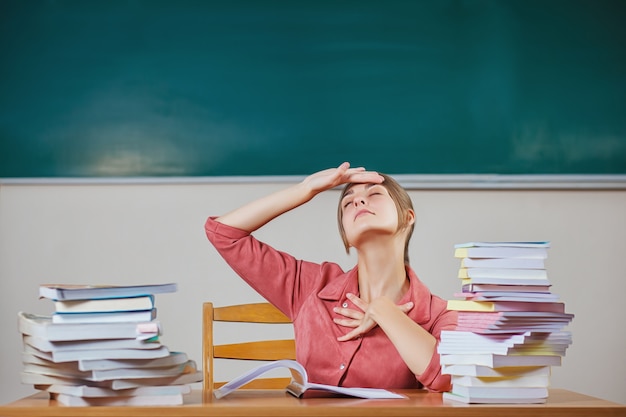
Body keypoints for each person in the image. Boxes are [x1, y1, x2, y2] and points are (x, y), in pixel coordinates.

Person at [205, 162, 457, 392]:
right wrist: (306, 189)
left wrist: (383, 311)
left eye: (374, 194)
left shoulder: (439, 314)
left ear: (407, 217)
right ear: (346, 235)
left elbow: (445, 378)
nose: (358, 202)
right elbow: (224, 234)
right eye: (348, 203)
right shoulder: (308, 286)